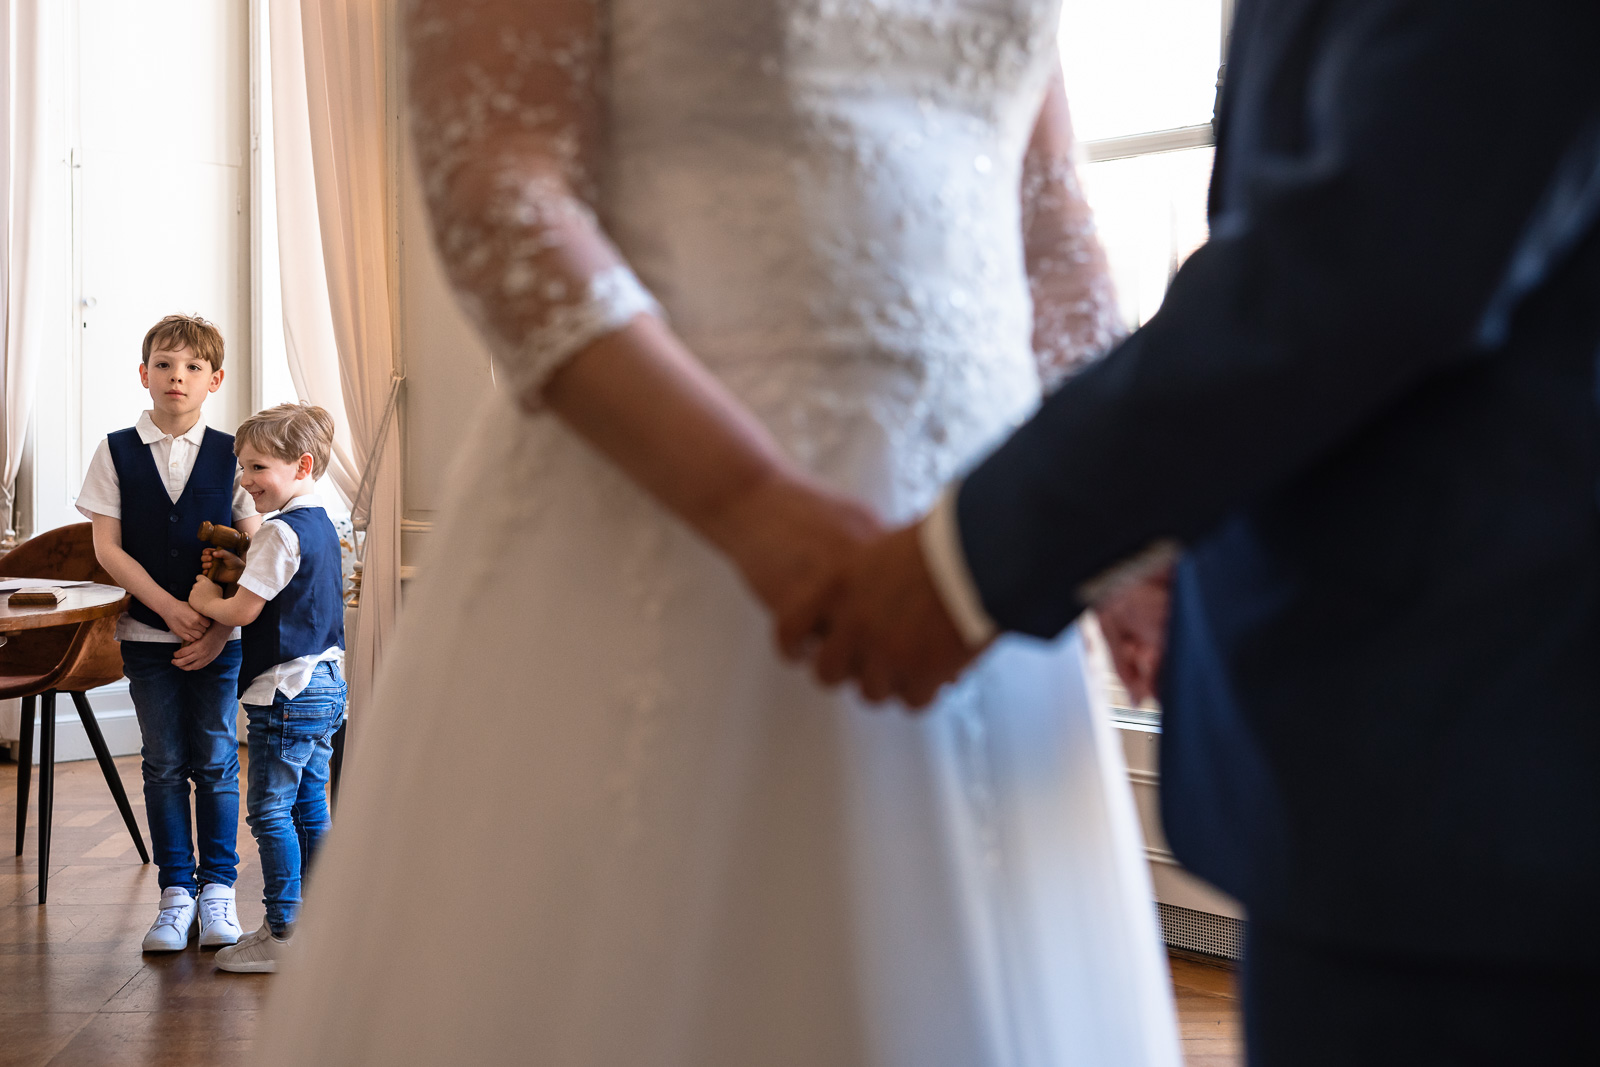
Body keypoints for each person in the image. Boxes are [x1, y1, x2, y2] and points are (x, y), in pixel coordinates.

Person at [253, 1, 1181, 1064]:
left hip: (983, 551)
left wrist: (1119, 524)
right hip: (662, 515)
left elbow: (1053, 237)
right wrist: (754, 505)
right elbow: (498, 188)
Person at [798, 1, 1600, 1063]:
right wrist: (1156, 526)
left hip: (1475, 737)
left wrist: (972, 556)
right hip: (1412, 737)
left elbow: (1375, 252)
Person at [77, 313, 257, 953]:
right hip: (145, 639)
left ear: (215, 380)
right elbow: (108, 549)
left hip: (219, 641)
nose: (176, 376)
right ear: (144, 374)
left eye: (192, 367)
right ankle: (175, 894)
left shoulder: (235, 452)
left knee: (214, 760)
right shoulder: (116, 450)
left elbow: (251, 543)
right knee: (162, 764)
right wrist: (167, 607)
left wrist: (211, 627)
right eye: (164, 364)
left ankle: (218, 893)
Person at [187, 403, 346, 974]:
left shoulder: (280, 531)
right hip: (327, 685)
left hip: (287, 690)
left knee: (271, 811)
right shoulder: (321, 522)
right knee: (310, 808)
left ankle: (283, 933)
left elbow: (243, 611)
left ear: (301, 465)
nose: (244, 480)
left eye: (257, 468)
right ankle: (318, 927)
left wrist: (204, 599)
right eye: (241, 466)